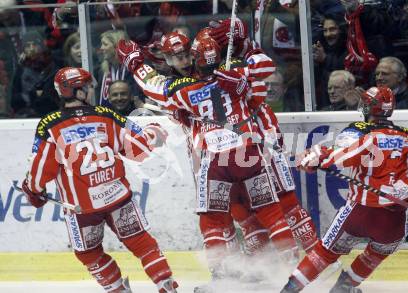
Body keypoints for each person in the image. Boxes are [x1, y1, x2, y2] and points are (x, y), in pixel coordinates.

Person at [117, 36, 299, 286]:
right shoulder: (231, 71)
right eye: (175, 56)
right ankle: (287, 269)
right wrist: (244, 70)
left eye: (184, 55)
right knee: (254, 213)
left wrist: (136, 65)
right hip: (245, 151)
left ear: (194, 56)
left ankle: (233, 274)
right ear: (168, 58)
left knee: (220, 217)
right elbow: (264, 69)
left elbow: (155, 87)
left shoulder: (181, 87)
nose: (181, 60)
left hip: (214, 158)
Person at [21, 67, 178, 293]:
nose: (91, 90)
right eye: (87, 87)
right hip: (118, 197)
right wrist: (153, 132)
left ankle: (117, 290)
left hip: (82, 208)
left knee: (88, 252)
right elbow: (139, 150)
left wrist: (32, 190)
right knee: (142, 242)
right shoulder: (107, 114)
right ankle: (167, 286)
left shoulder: (50, 124)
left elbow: (39, 170)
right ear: (77, 91)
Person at [280, 86, 408, 293]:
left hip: (360, 212)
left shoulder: (359, 129)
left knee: (324, 253)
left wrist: (314, 157)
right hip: (394, 219)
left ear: (368, 107)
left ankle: (289, 289)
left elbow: (339, 155)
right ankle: (343, 289)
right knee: (376, 254)